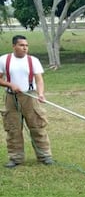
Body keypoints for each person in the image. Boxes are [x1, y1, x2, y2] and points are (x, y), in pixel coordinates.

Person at [0, 35, 53, 168]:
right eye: (22, 45)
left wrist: (40, 94)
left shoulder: (33, 60)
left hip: (30, 96)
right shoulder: (4, 60)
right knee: (13, 128)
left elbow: (39, 80)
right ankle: (16, 158)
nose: (25, 48)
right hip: (11, 98)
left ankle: (44, 156)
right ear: (14, 46)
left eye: (26, 45)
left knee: (37, 126)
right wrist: (10, 85)